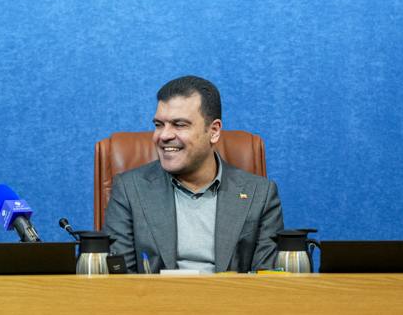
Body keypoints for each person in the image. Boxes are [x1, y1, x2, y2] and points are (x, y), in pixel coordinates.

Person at [102, 76, 284, 273]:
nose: (164, 135)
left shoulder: (261, 194)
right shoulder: (129, 190)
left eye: (179, 125)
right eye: (159, 124)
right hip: (153, 294)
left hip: (231, 293)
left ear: (213, 131)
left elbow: (267, 281)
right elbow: (119, 279)